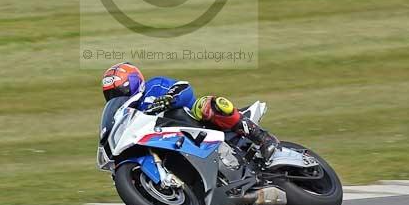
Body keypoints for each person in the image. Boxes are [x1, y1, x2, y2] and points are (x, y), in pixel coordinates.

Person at [101, 63, 279, 162]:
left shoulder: (153, 86)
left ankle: (262, 138)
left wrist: (169, 98)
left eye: (120, 90)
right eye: (111, 94)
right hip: (172, 144)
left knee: (207, 105)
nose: (117, 96)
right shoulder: (127, 115)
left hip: (197, 124)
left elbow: (184, 88)